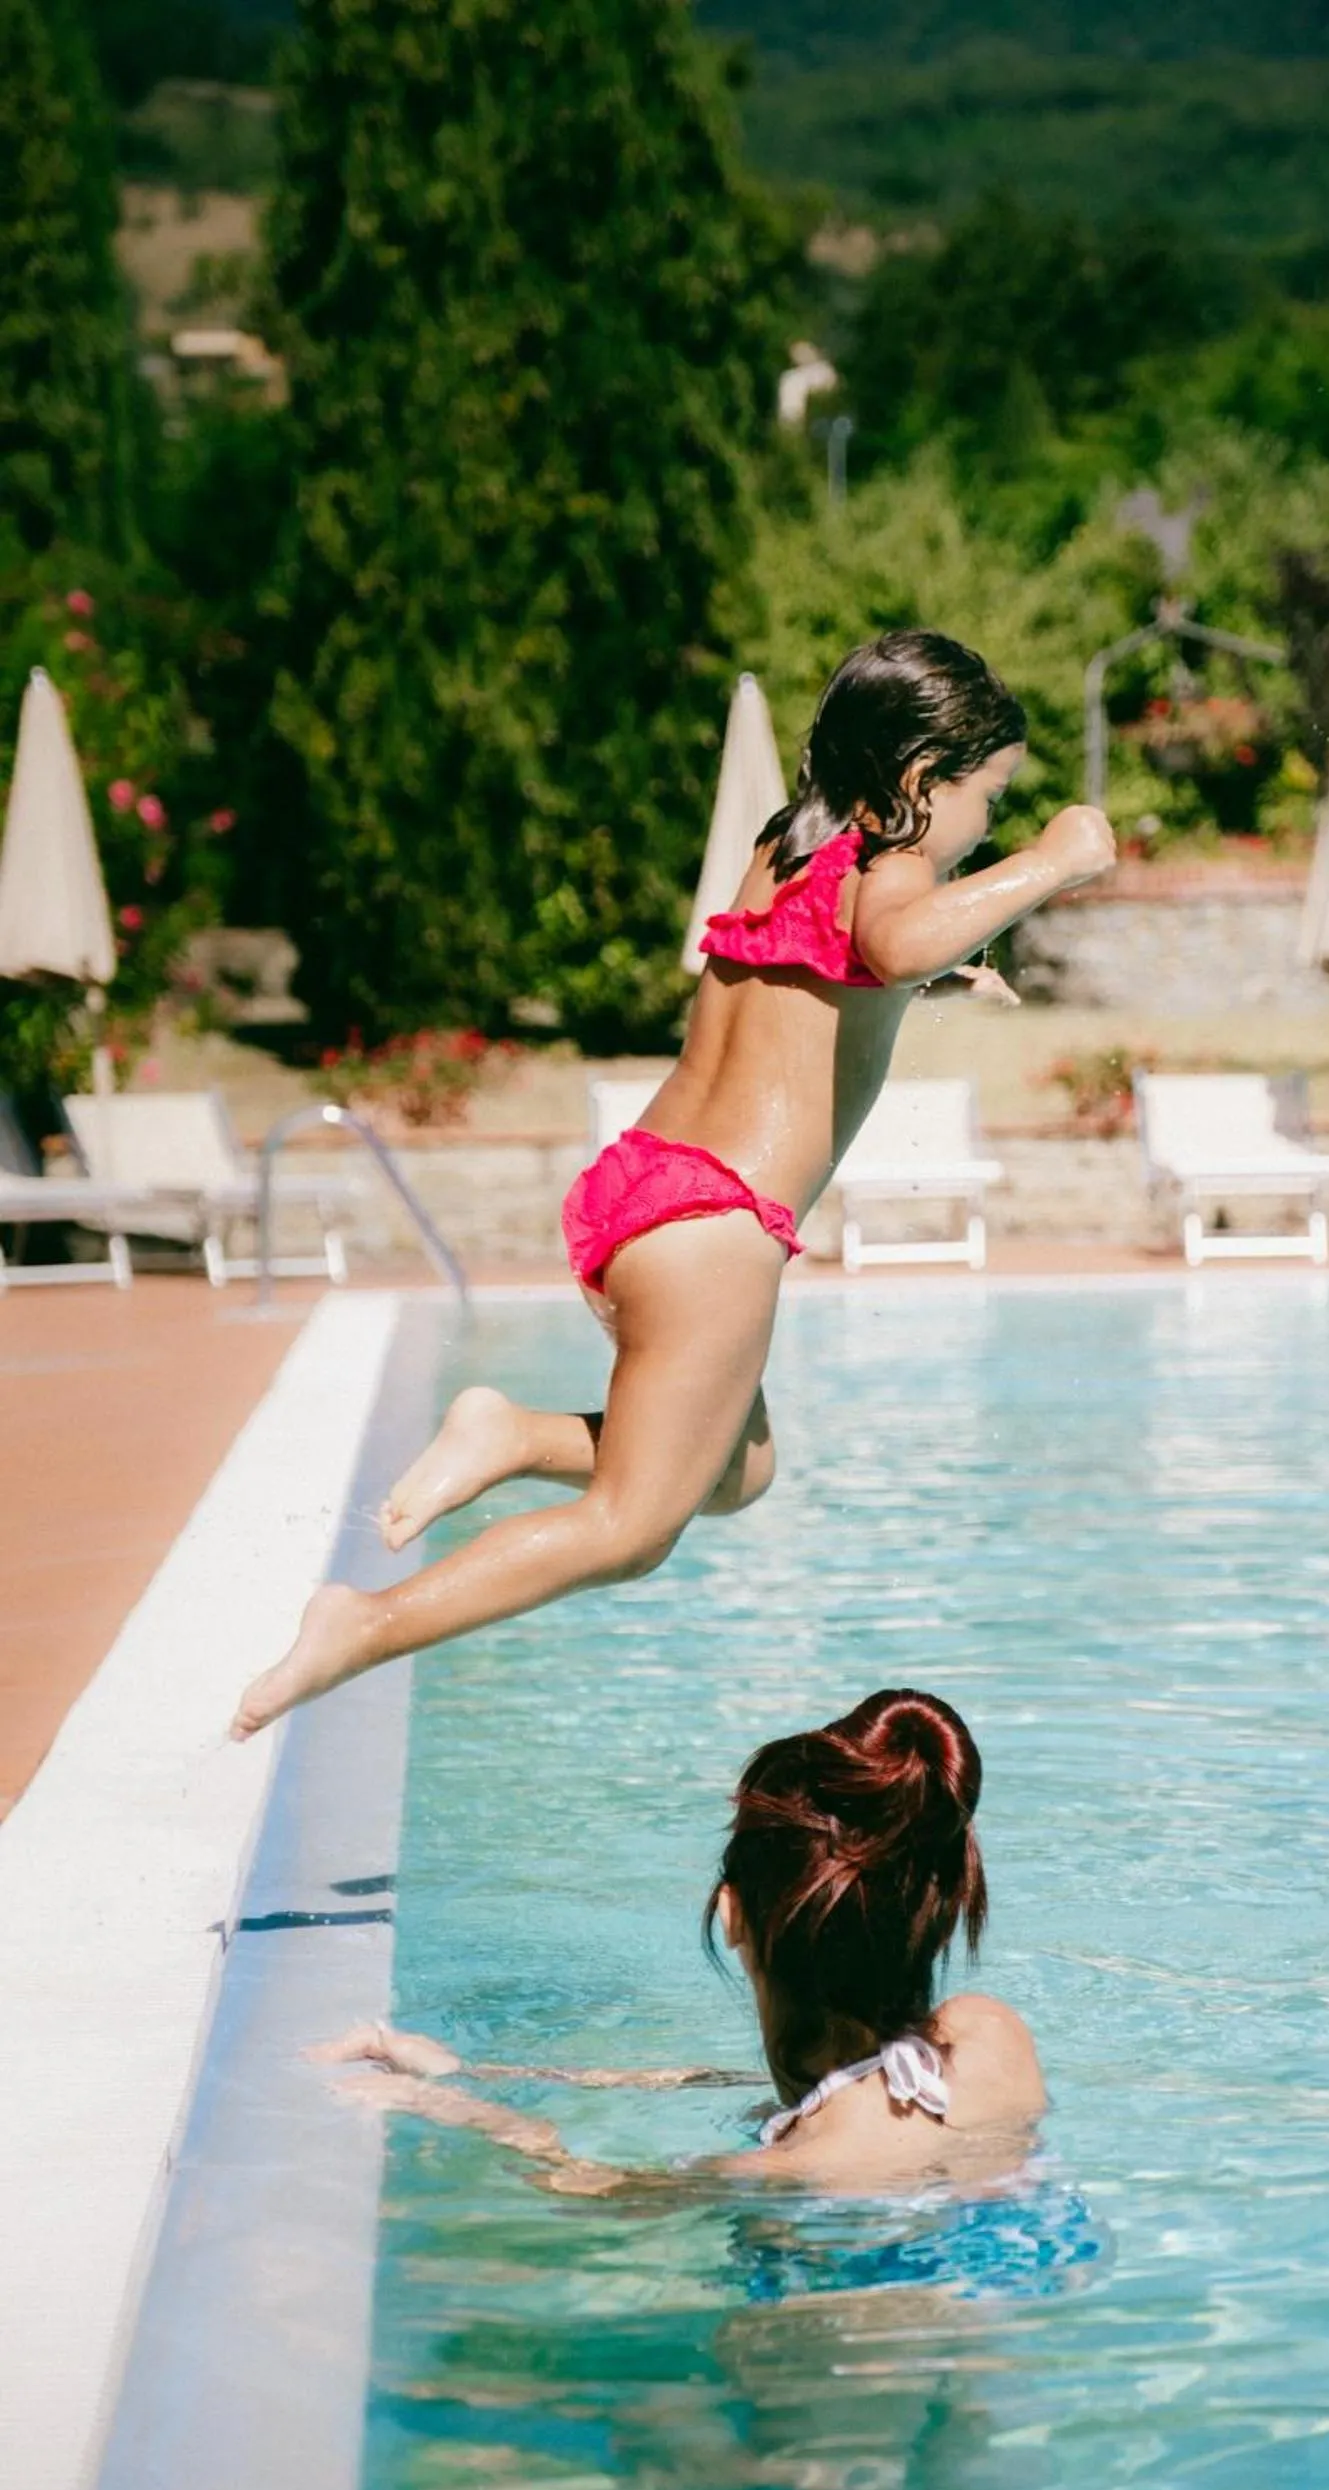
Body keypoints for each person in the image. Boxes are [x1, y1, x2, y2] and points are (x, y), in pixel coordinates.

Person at [232, 632, 1115, 1739]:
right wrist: (1055, 859)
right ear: (917, 779)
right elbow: (890, 944)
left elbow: (831, 974)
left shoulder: (790, 846)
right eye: (987, 795)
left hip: (643, 1186)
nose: (988, 821)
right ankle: (359, 1624)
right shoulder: (894, 870)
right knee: (631, 1529)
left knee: (737, 1468)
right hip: (715, 1226)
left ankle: (512, 1432)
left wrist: (939, 974)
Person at [316, 1688, 1048, 2197]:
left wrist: (459, 2107)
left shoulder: (795, 2172)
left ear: (732, 1915)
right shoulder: (992, 2035)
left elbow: (584, 2186)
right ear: (939, 1904)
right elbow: (832, 2086)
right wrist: (472, 2071)